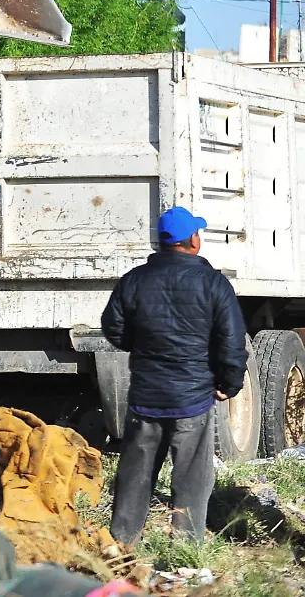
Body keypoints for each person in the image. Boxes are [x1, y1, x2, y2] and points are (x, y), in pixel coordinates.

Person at [101, 206, 247, 545]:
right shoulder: (213, 283)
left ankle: (122, 541)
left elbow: (113, 329)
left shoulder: (134, 281)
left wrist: (141, 347)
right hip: (192, 398)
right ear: (193, 240)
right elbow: (231, 340)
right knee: (192, 476)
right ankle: (186, 545)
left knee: (136, 473)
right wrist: (230, 382)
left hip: (146, 397)